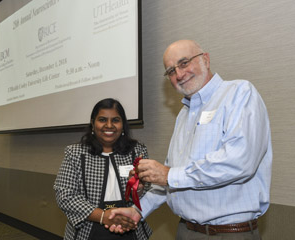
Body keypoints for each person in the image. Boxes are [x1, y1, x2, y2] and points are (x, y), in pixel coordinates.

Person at [109, 40, 272, 240]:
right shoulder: (184, 115)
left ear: (206, 59)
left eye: (184, 63)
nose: (178, 75)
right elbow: (171, 179)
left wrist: (169, 174)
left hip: (229, 233)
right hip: (185, 231)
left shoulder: (239, 94)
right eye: (170, 71)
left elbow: (239, 161)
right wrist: (137, 210)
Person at [54, 98, 152, 240]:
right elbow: (65, 195)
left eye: (116, 120)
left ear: (123, 125)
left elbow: (151, 191)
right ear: (93, 124)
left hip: (130, 226)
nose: (109, 125)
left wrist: (140, 189)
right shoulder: (75, 153)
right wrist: (103, 216)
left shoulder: (137, 151)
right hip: (87, 229)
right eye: (102, 120)